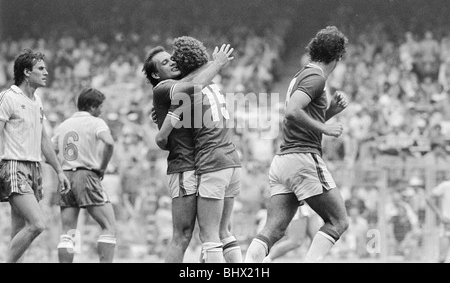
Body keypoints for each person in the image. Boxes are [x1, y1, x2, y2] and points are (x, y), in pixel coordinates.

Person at [244, 26, 349, 263]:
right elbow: (291, 111)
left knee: (274, 231)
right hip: (303, 158)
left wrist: (330, 112)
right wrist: (326, 128)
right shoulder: (316, 78)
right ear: (338, 57)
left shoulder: (302, 75)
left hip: (283, 161)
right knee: (338, 221)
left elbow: (298, 116)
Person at [143, 42, 234, 262]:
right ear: (156, 74)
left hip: (202, 164)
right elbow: (194, 86)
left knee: (210, 233)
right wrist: (217, 63)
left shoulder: (179, 90)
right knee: (182, 236)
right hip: (184, 167)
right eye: (165, 62)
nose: (172, 62)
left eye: (172, 58)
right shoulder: (163, 88)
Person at [0, 49, 71, 263]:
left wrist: (59, 170)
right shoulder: (8, 97)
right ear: (26, 72)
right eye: (41, 68)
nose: (46, 72)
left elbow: (43, 139)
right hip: (14, 166)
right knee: (38, 224)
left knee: (19, 230)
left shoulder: (37, 101)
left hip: (34, 168)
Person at [51, 87, 116, 263]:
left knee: (68, 232)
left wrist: (59, 169)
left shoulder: (64, 125)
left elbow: (49, 151)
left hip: (65, 177)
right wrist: (102, 168)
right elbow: (109, 143)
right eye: (101, 106)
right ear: (92, 106)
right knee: (109, 226)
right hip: (86, 175)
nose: (102, 111)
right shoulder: (96, 122)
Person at [426, 175, 450, 263]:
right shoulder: (446, 186)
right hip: (447, 226)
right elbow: (428, 198)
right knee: (442, 258)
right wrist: (439, 214)